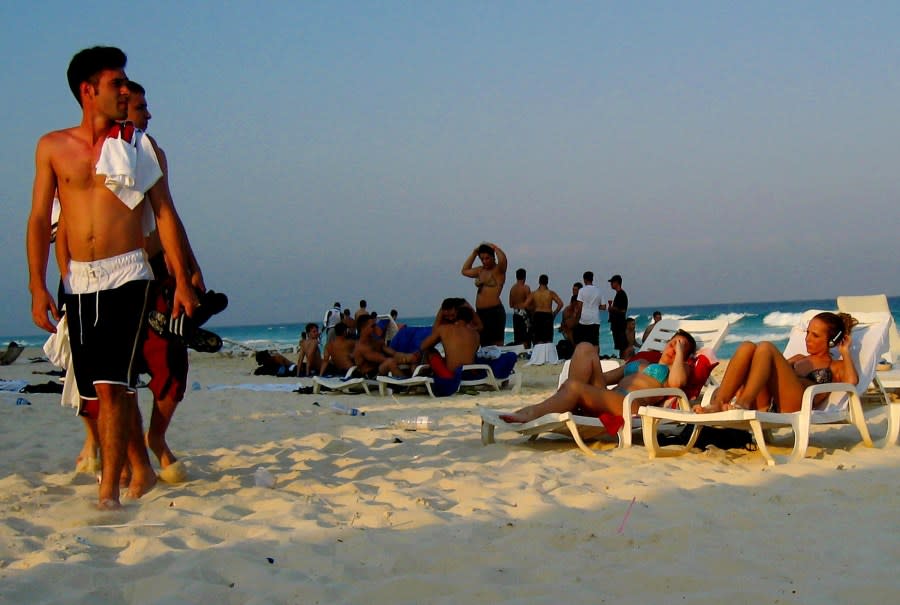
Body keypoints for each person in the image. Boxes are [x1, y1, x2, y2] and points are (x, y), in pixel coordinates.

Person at [27, 47, 197, 509]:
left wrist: (182, 278)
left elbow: (164, 214)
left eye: (127, 84)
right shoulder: (53, 146)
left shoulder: (139, 147)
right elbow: (41, 217)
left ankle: (110, 493)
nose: (125, 91)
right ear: (88, 90)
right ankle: (130, 472)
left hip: (128, 273)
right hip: (78, 279)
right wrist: (37, 284)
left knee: (115, 383)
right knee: (95, 387)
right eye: (116, 84)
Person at [500, 331, 696, 423]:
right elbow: (605, 377)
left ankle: (531, 413)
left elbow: (678, 383)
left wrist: (680, 354)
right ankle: (569, 400)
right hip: (611, 397)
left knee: (574, 387)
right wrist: (588, 367)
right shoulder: (642, 362)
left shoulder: (679, 369)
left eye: (681, 345)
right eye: (673, 341)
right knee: (585, 347)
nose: (675, 346)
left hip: (630, 405)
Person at [696, 312, 858, 413]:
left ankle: (742, 403)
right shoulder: (799, 358)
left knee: (766, 347)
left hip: (795, 405)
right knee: (747, 347)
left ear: (831, 341)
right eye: (807, 333)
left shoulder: (836, 365)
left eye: (815, 336)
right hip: (769, 403)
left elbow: (852, 382)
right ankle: (719, 403)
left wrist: (845, 352)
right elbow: (765, 372)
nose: (807, 339)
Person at [461, 242, 508, 346]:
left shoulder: (498, 270)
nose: (484, 261)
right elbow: (464, 271)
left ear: (493, 257)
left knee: (496, 345)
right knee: (484, 344)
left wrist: (495, 247)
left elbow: (503, 259)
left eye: (487, 258)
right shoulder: (480, 270)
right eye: (482, 259)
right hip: (481, 312)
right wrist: (474, 253)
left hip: (494, 311)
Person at [352, 313, 420, 377]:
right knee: (390, 362)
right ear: (363, 328)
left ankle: (415, 381)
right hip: (370, 376)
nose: (376, 327)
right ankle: (405, 385)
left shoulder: (376, 341)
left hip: (381, 369)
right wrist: (404, 359)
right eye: (372, 326)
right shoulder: (362, 347)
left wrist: (409, 356)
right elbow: (383, 359)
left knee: (413, 357)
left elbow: (394, 353)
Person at [419, 305, 480, 373]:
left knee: (429, 351)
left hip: (453, 374)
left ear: (456, 317)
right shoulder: (476, 334)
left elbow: (423, 346)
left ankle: (425, 374)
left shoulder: (444, 329)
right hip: (471, 373)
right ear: (470, 320)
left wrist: (440, 339)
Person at [523, 274, 564, 344]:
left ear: (539, 282)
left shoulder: (534, 293)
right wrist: (555, 313)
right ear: (547, 282)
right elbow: (560, 304)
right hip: (548, 315)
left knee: (538, 339)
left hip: (538, 315)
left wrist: (533, 310)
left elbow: (525, 305)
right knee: (548, 340)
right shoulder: (551, 293)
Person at [574, 271, 604, 348]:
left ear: (584, 280)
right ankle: (596, 358)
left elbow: (579, 307)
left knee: (583, 343)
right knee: (595, 343)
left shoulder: (582, 291)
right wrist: (595, 305)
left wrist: (577, 318)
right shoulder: (598, 291)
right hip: (595, 320)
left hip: (584, 320)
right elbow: (603, 307)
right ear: (592, 279)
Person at [508, 268, 532, 348]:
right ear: (524, 277)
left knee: (517, 337)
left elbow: (510, 304)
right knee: (526, 336)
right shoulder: (526, 288)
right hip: (524, 314)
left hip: (515, 314)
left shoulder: (512, 289)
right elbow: (529, 304)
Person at [607, 274, 629, 358]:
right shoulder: (619, 294)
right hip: (617, 324)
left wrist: (612, 309)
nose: (611, 284)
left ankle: (624, 361)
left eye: (612, 282)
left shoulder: (621, 294)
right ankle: (622, 360)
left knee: (622, 346)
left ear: (617, 283)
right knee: (621, 346)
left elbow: (623, 310)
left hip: (619, 324)